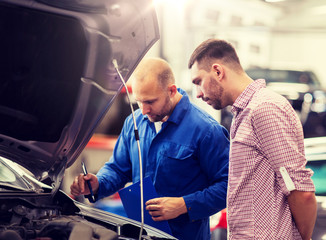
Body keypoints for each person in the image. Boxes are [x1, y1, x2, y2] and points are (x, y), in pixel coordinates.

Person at [70, 57, 230, 240]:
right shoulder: (134, 122)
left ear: (171, 91)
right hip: (141, 234)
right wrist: (98, 183)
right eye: (139, 101)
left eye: (150, 102)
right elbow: (118, 169)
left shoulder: (206, 130)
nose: (144, 110)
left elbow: (228, 187)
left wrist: (183, 205)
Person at [188, 38, 317, 240]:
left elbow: (301, 191)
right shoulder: (244, 113)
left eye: (198, 82)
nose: (198, 94)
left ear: (218, 71)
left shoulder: (264, 109)